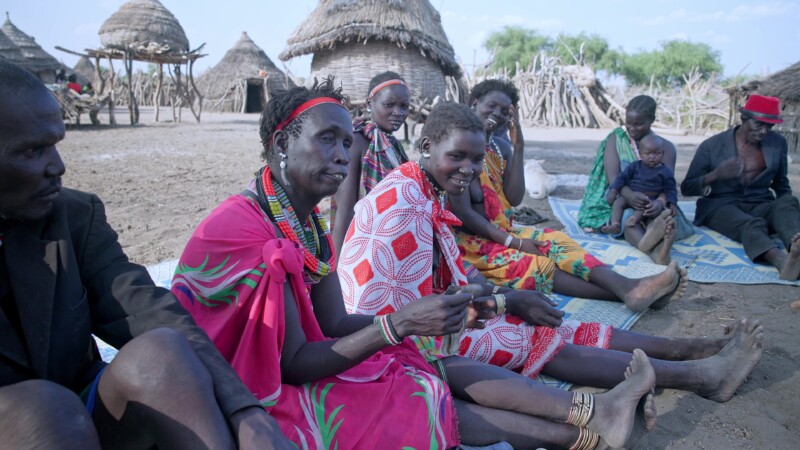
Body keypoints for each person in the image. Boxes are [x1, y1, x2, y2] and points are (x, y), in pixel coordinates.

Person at [172, 78, 662, 450]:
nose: (344, 156)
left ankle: (595, 416)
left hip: (306, 358)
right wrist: (402, 324)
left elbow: (338, 322)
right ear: (282, 144)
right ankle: (588, 426)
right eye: (328, 140)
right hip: (235, 394)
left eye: (347, 143)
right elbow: (295, 365)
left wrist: (415, 324)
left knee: (411, 364)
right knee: (413, 387)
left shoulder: (305, 225)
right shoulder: (249, 230)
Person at [341, 100, 764, 405]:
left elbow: (448, 276)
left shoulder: (422, 188)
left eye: (474, 159)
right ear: (427, 145)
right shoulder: (406, 205)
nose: (468, 170)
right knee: (542, 338)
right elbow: (420, 311)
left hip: (422, 320)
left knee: (559, 321)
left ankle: (691, 349)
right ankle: (698, 376)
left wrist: (500, 299)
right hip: (401, 344)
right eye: (457, 157)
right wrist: (504, 301)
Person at [0, 60, 292, 449]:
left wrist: (245, 410)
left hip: (78, 413)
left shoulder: (70, 218)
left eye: (55, 144)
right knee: (43, 411)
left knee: (163, 350)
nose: (58, 166)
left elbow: (150, 310)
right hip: (30, 425)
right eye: (33, 151)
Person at [449, 80, 686, 312]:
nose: (498, 114)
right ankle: (632, 292)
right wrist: (515, 243)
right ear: (475, 102)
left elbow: (514, 199)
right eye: (492, 106)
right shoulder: (461, 150)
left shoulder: (500, 148)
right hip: (472, 244)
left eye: (505, 111)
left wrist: (518, 146)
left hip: (503, 231)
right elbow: (463, 213)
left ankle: (631, 290)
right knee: (537, 264)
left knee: (558, 241)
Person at [681, 94, 800, 280]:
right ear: (744, 118)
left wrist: (787, 214)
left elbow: (781, 184)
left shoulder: (777, 143)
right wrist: (716, 174)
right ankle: (782, 262)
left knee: (788, 202)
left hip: (758, 202)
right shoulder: (712, 146)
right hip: (720, 206)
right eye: (758, 124)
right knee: (752, 225)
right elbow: (687, 188)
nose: (764, 131)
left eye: (769, 126)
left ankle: (796, 250)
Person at [579, 95, 694, 263]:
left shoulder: (666, 148)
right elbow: (614, 178)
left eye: (638, 124)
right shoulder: (616, 140)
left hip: (654, 199)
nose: (632, 128)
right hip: (624, 195)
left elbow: (667, 186)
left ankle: (655, 232)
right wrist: (630, 196)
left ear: (652, 120)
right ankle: (652, 250)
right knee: (628, 219)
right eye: (628, 123)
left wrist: (660, 203)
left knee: (662, 216)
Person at [332, 71, 410, 254]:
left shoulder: (393, 145)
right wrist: (335, 269)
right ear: (369, 104)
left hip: (389, 241)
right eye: (389, 105)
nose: (398, 112)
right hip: (359, 243)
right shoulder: (356, 142)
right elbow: (345, 209)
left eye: (404, 106)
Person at [602, 134, 679, 260]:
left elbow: (670, 189)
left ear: (662, 153)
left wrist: (672, 203)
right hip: (630, 197)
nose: (652, 157)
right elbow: (621, 178)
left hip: (650, 201)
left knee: (645, 212)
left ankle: (650, 230)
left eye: (657, 153)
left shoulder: (665, 172)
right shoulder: (634, 166)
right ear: (640, 153)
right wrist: (613, 191)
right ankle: (615, 224)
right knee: (618, 203)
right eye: (648, 154)